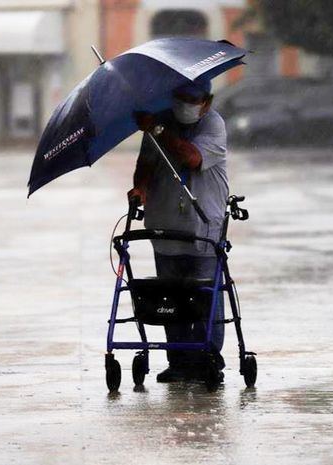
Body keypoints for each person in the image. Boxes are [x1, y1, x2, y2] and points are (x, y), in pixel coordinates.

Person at [128, 78, 228, 382]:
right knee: (171, 298)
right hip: (166, 227)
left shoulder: (213, 125)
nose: (185, 105)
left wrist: (157, 131)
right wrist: (140, 188)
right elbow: (145, 164)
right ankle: (180, 360)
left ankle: (208, 357)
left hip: (203, 229)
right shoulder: (158, 123)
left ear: (206, 102)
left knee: (205, 297)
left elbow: (192, 157)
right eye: (180, 98)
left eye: (192, 99)